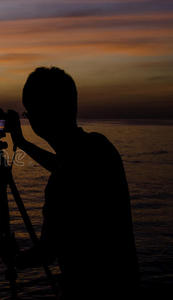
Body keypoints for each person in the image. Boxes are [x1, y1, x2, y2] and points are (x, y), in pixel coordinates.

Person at [8, 67, 139, 299]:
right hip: (125, 284)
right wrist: (22, 143)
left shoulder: (62, 181)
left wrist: (15, 259)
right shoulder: (100, 147)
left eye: (28, 114)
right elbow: (65, 165)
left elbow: (47, 252)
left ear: (39, 117)